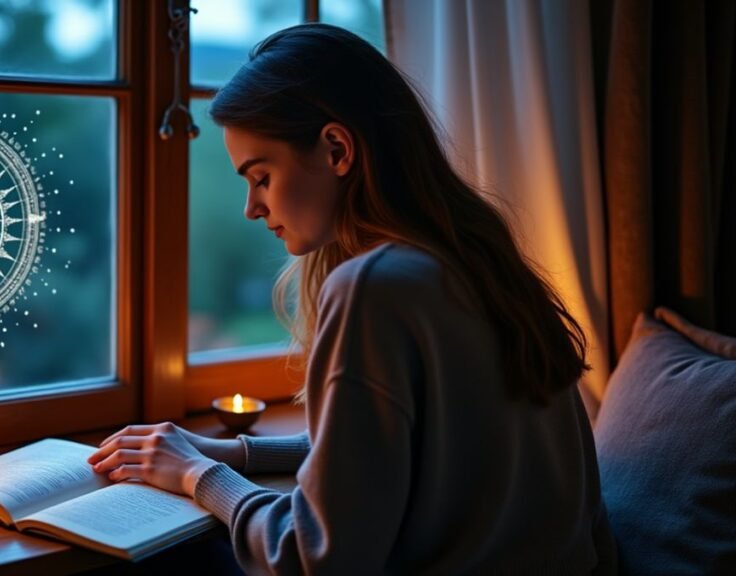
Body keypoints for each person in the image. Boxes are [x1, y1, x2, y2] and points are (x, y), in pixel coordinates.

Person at [86, 23, 617, 574]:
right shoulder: (478, 257)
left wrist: (199, 477)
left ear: (338, 149)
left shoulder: (375, 286)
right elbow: (397, 456)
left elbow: (320, 557)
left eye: (261, 177)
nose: (252, 207)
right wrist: (236, 453)